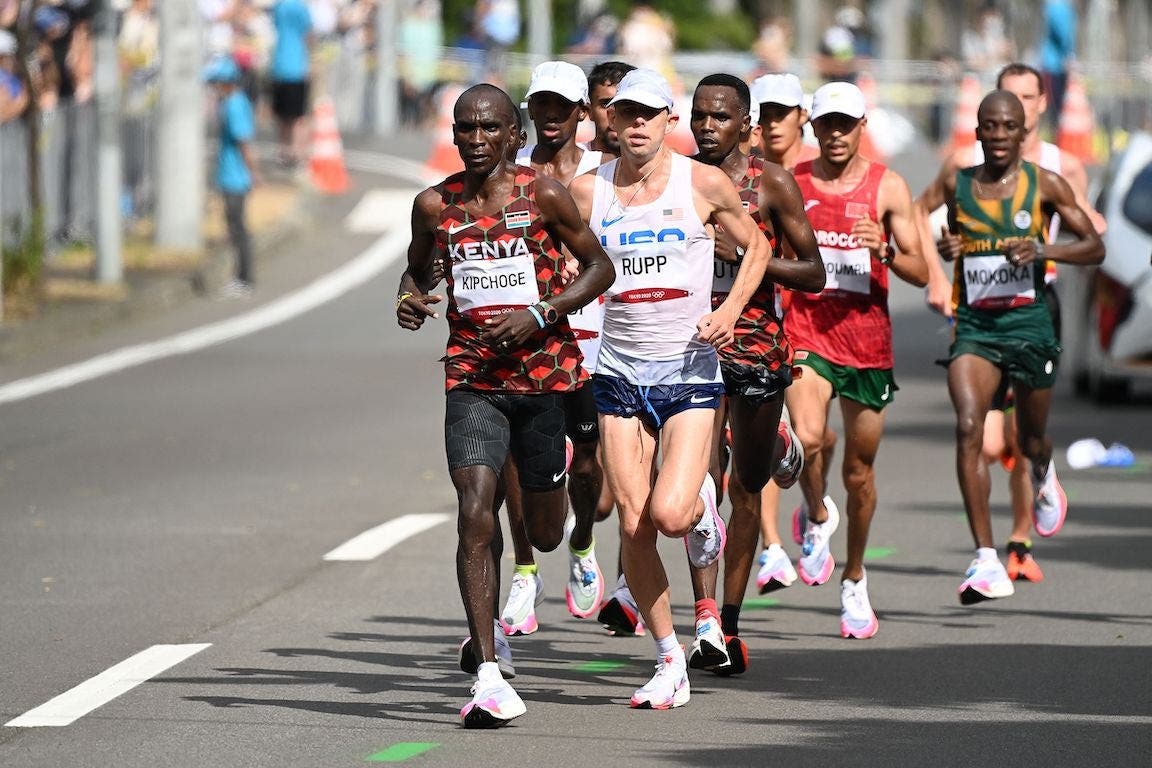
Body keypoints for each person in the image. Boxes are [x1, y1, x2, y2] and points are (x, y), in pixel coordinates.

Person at [395, 84, 614, 727]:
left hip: (544, 376)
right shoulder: (435, 205)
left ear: (512, 135)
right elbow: (419, 272)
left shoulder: (543, 194)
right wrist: (409, 298)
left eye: (488, 127)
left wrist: (542, 312)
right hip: (472, 376)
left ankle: (575, 539)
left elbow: (599, 268)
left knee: (542, 531)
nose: (475, 139)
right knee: (474, 507)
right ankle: (489, 668)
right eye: (465, 128)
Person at [567, 68, 772, 709]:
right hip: (618, 370)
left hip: (687, 368)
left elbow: (758, 248)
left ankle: (704, 517)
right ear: (609, 121)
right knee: (632, 522)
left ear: (667, 121)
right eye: (623, 114)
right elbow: (547, 255)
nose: (633, 125)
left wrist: (732, 310)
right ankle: (668, 659)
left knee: (671, 514)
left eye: (646, 115)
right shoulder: (584, 192)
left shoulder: (701, 182)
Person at [914, 89, 1103, 604]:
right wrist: (939, 250)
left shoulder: (1045, 185)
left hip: (1030, 325)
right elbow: (917, 213)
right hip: (975, 328)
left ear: (1023, 134)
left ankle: (1044, 470)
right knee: (969, 427)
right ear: (977, 133)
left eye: (1007, 127)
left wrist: (1043, 248)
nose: (997, 135)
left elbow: (1094, 246)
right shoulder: (958, 183)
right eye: (989, 126)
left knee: (1031, 439)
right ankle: (985, 557)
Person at [684, 73, 825, 674]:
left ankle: (732, 620)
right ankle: (709, 619)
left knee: (746, 483)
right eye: (698, 116)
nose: (707, 127)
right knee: (700, 482)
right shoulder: (677, 179)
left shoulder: (771, 184)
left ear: (746, 124)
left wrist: (743, 261)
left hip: (756, 340)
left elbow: (813, 272)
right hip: (690, 342)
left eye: (720, 117)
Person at [786, 81, 928, 638]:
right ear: (813, 128)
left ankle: (854, 577)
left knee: (860, 473)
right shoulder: (794, 182)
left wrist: (884, 249)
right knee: (809, 435)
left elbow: (920, 270)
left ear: (861, 126)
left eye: (846, 124)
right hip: (808, 333)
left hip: (867, 342)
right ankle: (817, 513)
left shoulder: (887, 186)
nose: (836, 134)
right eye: (827, 124)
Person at [497, 60, 610, 635]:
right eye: (540, 105)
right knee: (516, 460)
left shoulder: (606, 173)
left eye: (561, 107)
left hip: (596, 337)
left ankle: (584, 543)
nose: (549, 116)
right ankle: (524, 571)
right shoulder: (510, 172)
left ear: (582, 113)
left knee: (590, 468)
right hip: (531, 342)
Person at [746, 73, 823, 595]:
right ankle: (772, 547)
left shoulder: (817, 178)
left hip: (817, 321)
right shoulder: (736, 178)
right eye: (765, 113)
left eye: (783, 112)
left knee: (815, 436)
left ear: (802, 118)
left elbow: (817, 265)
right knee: (754, 437)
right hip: (757, 324)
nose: (773, 123)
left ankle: (816, 512)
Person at [205, 56, 259, 298]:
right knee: (234, 228)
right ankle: (240, 276)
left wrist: (253, 172)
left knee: (238, 228)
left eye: (216, 83)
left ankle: (244, 279)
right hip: (231, 175)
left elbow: (243, 141)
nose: (214, 88)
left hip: (235, 176)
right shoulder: (234, 102)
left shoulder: (234, 105)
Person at [269, 0, 312, 167]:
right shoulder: (301, 7)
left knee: (282, 116)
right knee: (298, 115)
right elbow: (308, 33)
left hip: (280, 66)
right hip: (297, 67)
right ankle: (297, 152)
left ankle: (284, 150)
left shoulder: (279, 7)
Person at [1039, 0, 1077, 133]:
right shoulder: (1057, 6)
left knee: (1057, 108)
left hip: (1056, 66)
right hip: (1054, 66)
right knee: (1055, 109)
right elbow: (1063, 34)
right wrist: (1069, 55)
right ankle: (1055, 138)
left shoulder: (1057, 6)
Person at [585, 61, 636, 156]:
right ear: (589, 111)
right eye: (606, 104)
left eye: (625, 105)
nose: (614, 115)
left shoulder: (662, 166)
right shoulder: (571, 167)